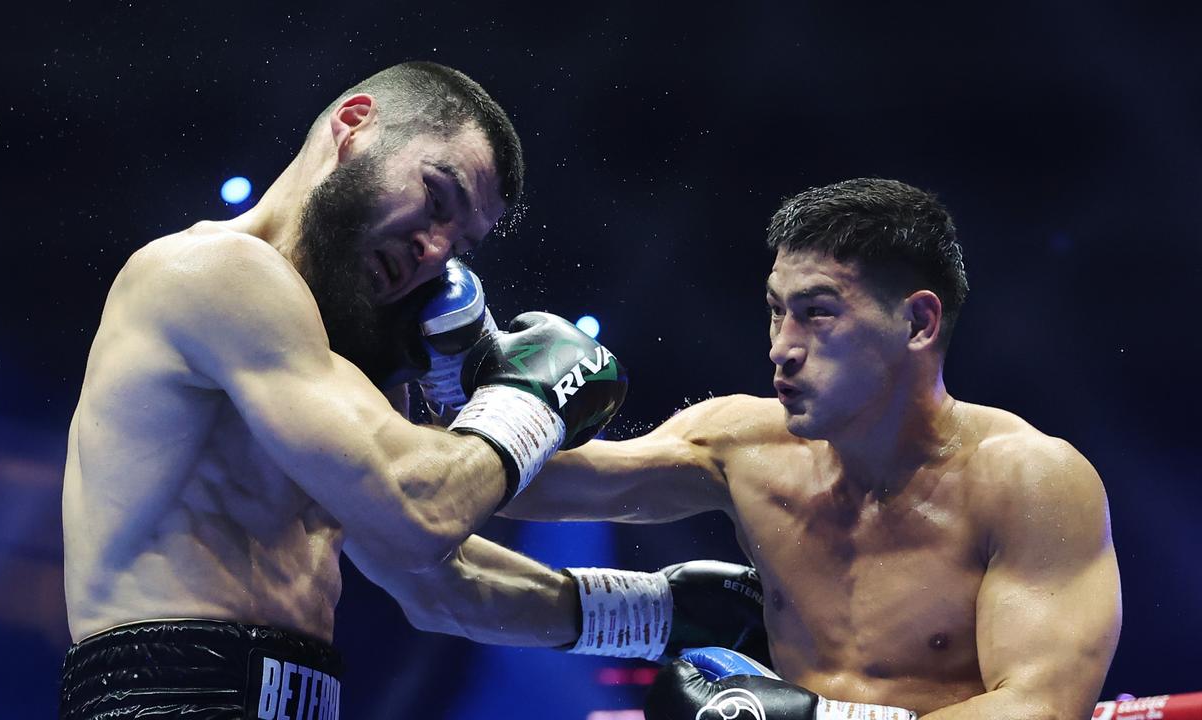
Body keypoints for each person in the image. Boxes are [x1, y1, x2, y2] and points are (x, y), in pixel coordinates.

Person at [375, 179, 1122, 720]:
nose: (782, 348)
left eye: (818, 314)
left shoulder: (1028, 480)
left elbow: (1042, 710)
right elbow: (549, 487)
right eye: (775, 312)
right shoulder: (743, 443)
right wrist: (465, 391)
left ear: (919, 323)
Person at [57, 61, 632, 719]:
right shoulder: (213, 274)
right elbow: (424, 513)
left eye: (459, 245)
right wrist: (531, 398)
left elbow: (441, 582)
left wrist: (661, 611)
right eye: (436, 198)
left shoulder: (345, 367)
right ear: (354, 125)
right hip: (167, 696)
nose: (435, 249)